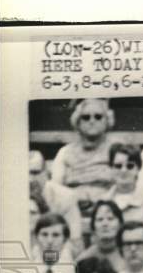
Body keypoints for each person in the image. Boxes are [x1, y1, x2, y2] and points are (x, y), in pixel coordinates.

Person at [48, 99, 115, 231]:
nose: (92, 120)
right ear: (77, 122)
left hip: (109, 213)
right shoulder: (65, 152)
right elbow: (55, 187)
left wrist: (102, 200)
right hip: (71, 213)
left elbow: (125, 184)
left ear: (107, 121)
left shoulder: (116, 149)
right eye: (86, 117)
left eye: (98, 116)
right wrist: (74, 198)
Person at [106, 143, 143, 224]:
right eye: (118, 166)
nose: (123, 170)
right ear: (111, 168)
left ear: (138, 168)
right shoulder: (103, 200)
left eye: (130, 166)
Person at [78, 199, 126, 272]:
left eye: (110, 219)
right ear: (93, 226)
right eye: (100, 220)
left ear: (120, 224)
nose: (105, 224)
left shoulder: (128, 254)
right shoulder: (84, 258)